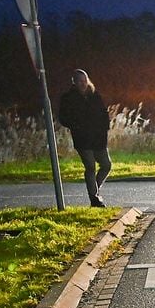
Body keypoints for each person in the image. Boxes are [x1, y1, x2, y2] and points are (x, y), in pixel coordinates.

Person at [58, 69, 112, 207]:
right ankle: (94, 198)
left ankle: (95, 190)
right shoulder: (68, 98)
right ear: (74, 82)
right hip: (82, 138)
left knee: (106, 164)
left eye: (85, 80)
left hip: (98, 137)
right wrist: (76, 125)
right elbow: (63, 117)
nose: (83, 84)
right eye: (80, 81)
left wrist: (105, 128)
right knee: (90, 166)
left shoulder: (94, 95)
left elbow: (104, 113)